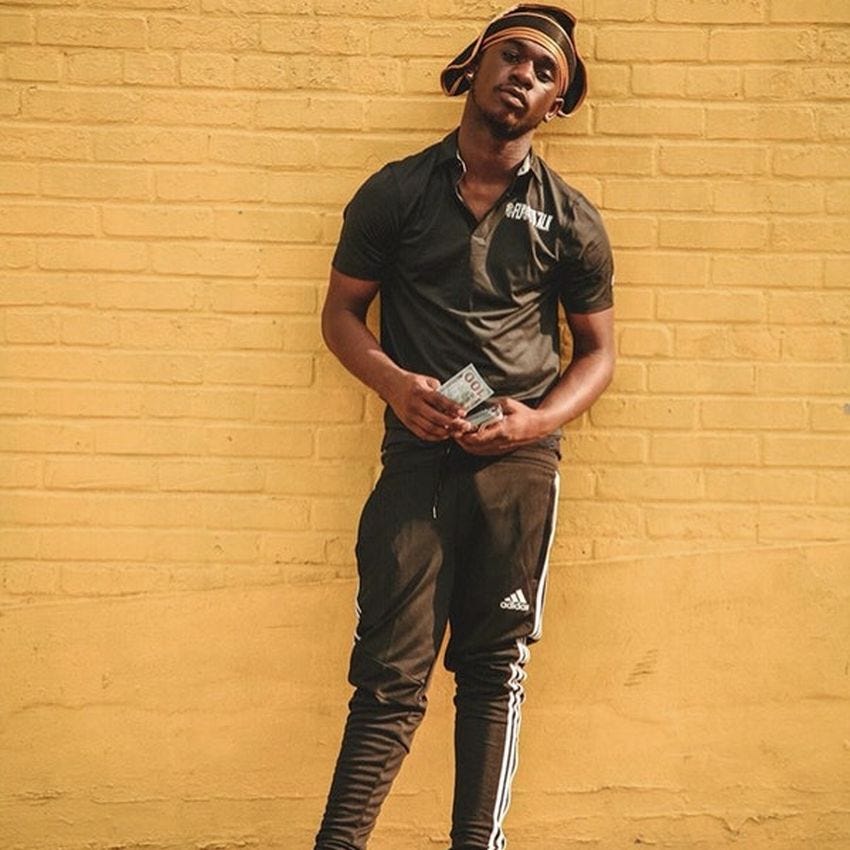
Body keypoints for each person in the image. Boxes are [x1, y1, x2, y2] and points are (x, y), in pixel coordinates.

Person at [314, 5, 615, 849]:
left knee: (492, 671)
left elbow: (598, 354)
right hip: (416, 457)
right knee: (389, 675)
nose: (524, 75)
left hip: (519, 471)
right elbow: (340, 314)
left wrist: (536, 420)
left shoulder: (571, 218)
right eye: (512, 56)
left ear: (556, 103)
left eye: (545, 72)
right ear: (476, 65)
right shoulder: (396, 191)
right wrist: (394, 383)